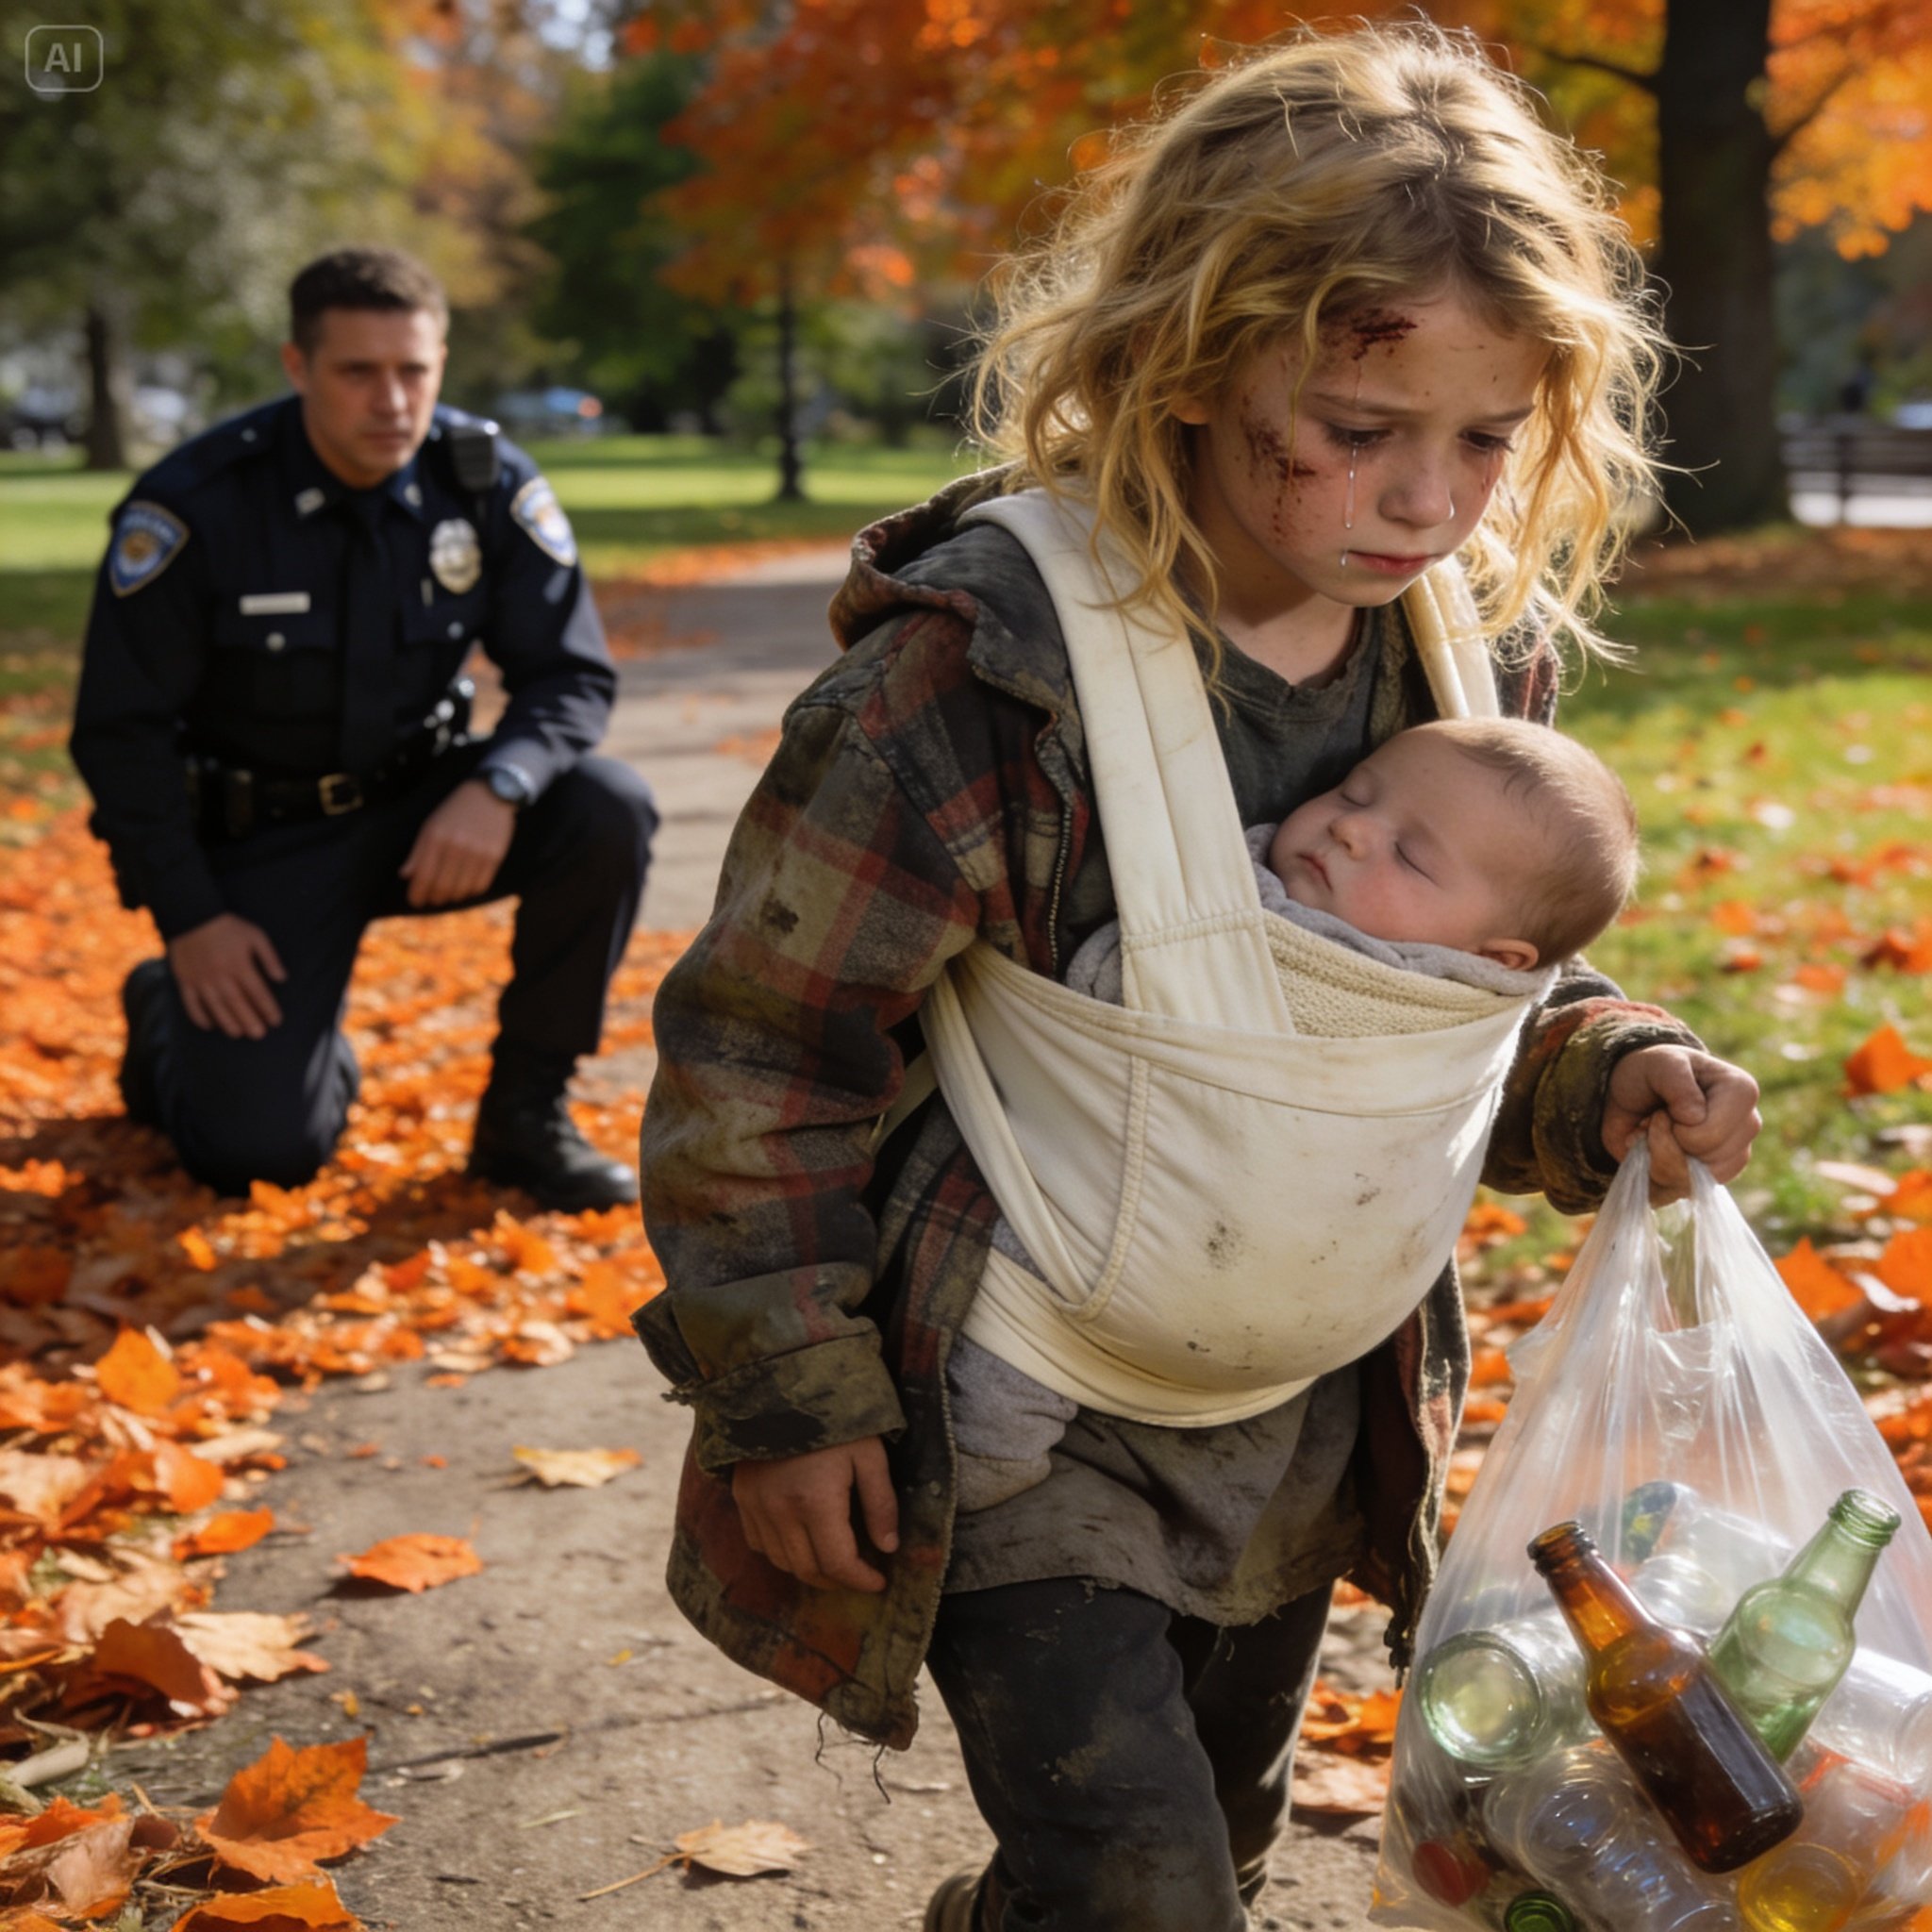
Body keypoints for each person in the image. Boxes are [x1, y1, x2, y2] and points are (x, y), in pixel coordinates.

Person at [633, 25, 1761, 1932]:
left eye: (1484, 441)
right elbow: (766, 1050)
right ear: (1184, 352)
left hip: (1308, 1414)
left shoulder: (1463, 664)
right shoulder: (973, 682)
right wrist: (791, 1393)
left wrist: (1605, 1066)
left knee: (1196, 1859)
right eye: (1355, 425)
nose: (1427, 500)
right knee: (1144, 1885)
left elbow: (1422, 992)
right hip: (1022, 1404)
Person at [70, 247, 654, 1211]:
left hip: (422, 815)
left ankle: (526, 1117)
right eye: (358, 371)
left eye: (413, 370)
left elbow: (569, 674)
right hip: (259, 845)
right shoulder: (200, 503)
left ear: (440, 362)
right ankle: (163, 1013)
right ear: (298, 367)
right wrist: (191, 921)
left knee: (605, 808)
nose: (392, 399)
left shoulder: (482, 480)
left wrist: (496, 785)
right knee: (260, 1156)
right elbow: (118, 732)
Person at [949, 716, 1641, 1511]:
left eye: (1409, 855)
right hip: (1097, 1253)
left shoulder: (1470, 1009)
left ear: (1498, 964)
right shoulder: (1235, 895)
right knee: (1001, 1365)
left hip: (1312, 1326)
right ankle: (974, 1465)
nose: (1351, 828)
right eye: (1354, 792)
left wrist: (1625, 1059)